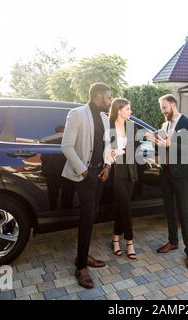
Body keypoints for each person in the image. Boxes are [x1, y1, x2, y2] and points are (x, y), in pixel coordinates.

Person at [61, 83, 112, 289]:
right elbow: (66, 146)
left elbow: (109, 145)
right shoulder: (77, 114)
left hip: (100, 174)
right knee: (88, 216)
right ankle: (81, 266)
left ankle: (83, 255)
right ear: (99, 96)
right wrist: (84, 171)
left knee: (92, 216)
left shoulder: (104, 118)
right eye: (108, 98)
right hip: (84, 175)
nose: (110, 101)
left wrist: (108, 165)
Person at [147, 94, 188, 269]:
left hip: (181, 174)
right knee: (169, 209)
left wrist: (169, 144)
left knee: (184, 212)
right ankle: (173, 242)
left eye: (164, 107)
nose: (162, 111)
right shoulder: (164, 125)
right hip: (165, 173)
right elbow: (162, 147)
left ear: (173, 105)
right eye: (161, 108)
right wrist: (155, 152)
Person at [108, 98, 139, 260]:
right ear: (119, 110)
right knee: (126, 206)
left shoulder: (131, 126)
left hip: (130, 171)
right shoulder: (109, 126)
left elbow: (136, 148)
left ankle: (115, 239)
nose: (130, 111)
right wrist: (113, 152)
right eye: (127, 109)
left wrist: (123, 151)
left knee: (122, 206)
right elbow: (106, 149)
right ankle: (130, 242)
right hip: (115, 172)